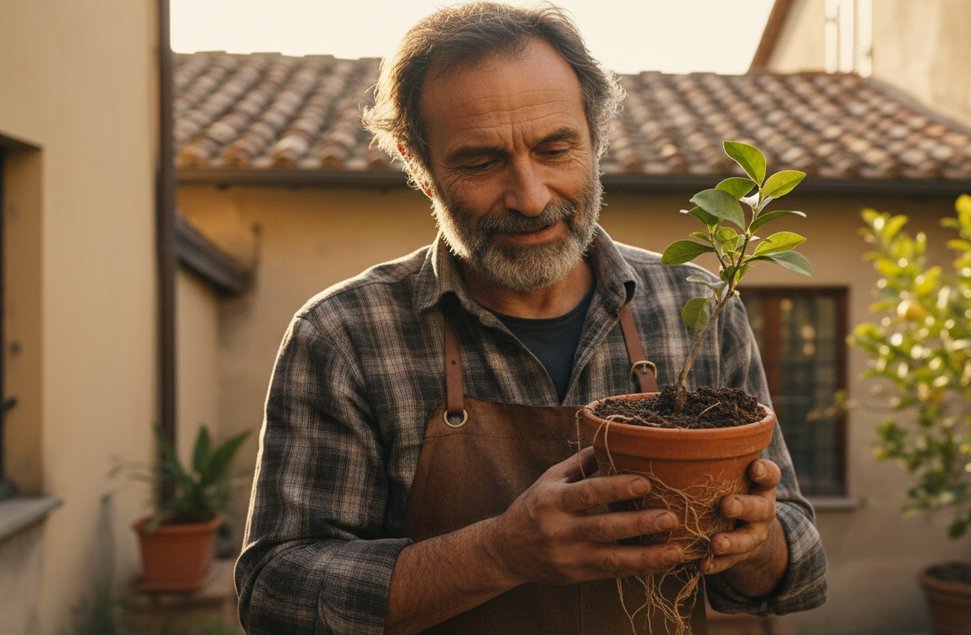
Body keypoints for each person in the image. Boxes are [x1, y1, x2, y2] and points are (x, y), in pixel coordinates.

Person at [235, 3, 826, 633]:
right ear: (420, 168)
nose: (531, 197)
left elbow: (799, 572)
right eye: (481, 161)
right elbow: (275, 593)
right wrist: (500, 552)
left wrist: (754, 542)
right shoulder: (343, 336)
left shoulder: (699, 309)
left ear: (595, 138)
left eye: (554, 148)